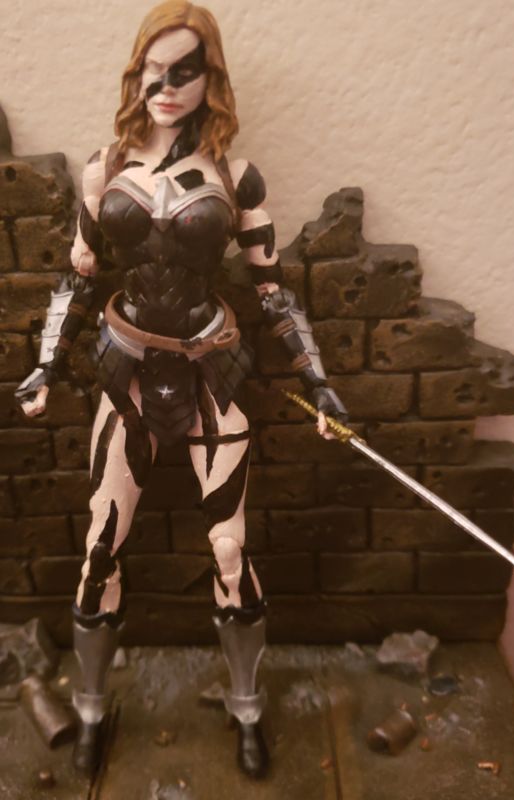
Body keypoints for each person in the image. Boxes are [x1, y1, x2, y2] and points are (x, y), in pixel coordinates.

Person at [16, 0, 346, 780]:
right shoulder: (106, 168)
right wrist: (46, 363)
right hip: (126, 371)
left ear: (210, 78)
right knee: (101, 548)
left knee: (230, 550)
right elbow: (78, 274)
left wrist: (320, 382)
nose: (165, 87)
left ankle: (246, 706)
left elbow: (271, 288)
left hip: (210, 373)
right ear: (135, 73)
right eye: (151, 70)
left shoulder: (236, 174)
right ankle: (90, 707)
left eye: (184, 72)